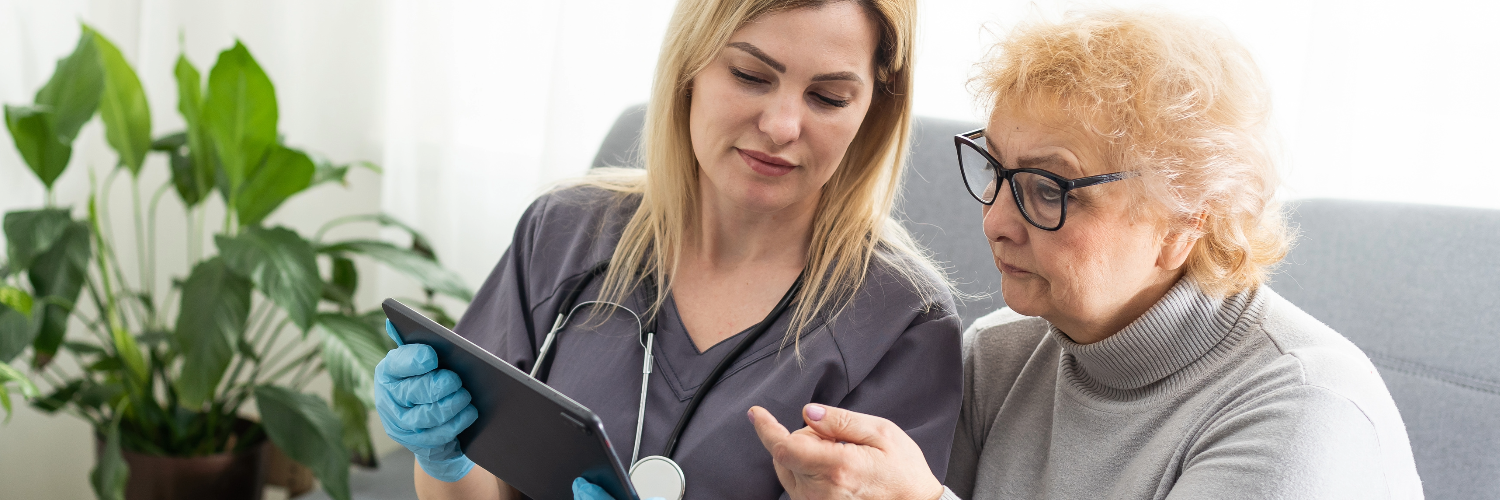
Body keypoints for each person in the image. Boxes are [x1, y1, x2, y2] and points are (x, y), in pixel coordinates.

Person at [748, 9, 1424, 500]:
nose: (996, 221)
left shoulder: (1304, 412)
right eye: (996, 170)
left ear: (1187, 217)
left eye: (1048, 189)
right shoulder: (1001, 357)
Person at [373, 0, 965, 499]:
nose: (783, 125)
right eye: (751, 76)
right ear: (689, 67)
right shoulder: (562, 235)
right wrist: (444, 458)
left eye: (829, 97)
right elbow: (488, 487)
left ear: (873, 110)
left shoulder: (903, 324)